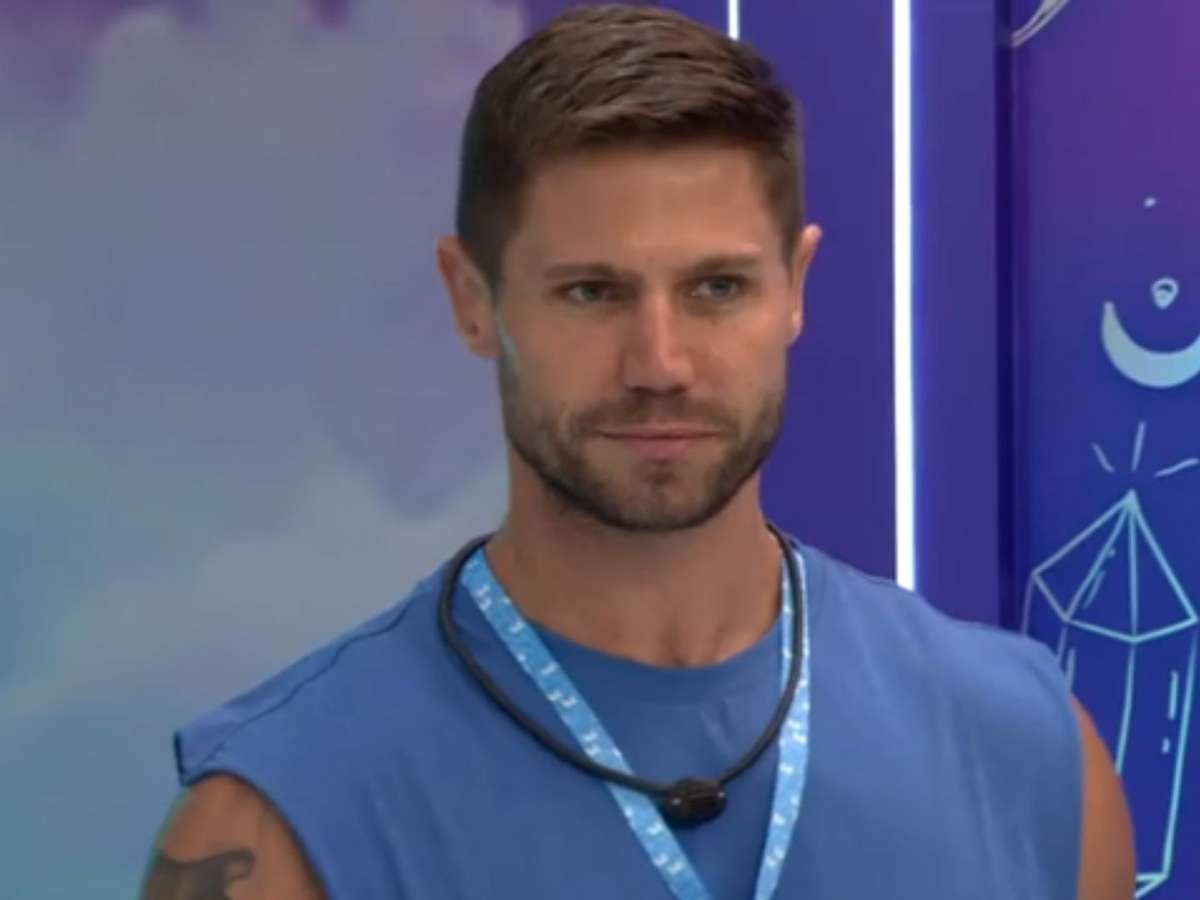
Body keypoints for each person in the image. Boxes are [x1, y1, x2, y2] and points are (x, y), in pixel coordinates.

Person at [140, 5, 1136, 898]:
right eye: (592, 292)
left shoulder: (1033, 758)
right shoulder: (280, 821)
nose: (659, 364)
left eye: (717, 289)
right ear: (472, 301)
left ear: (796, 288)